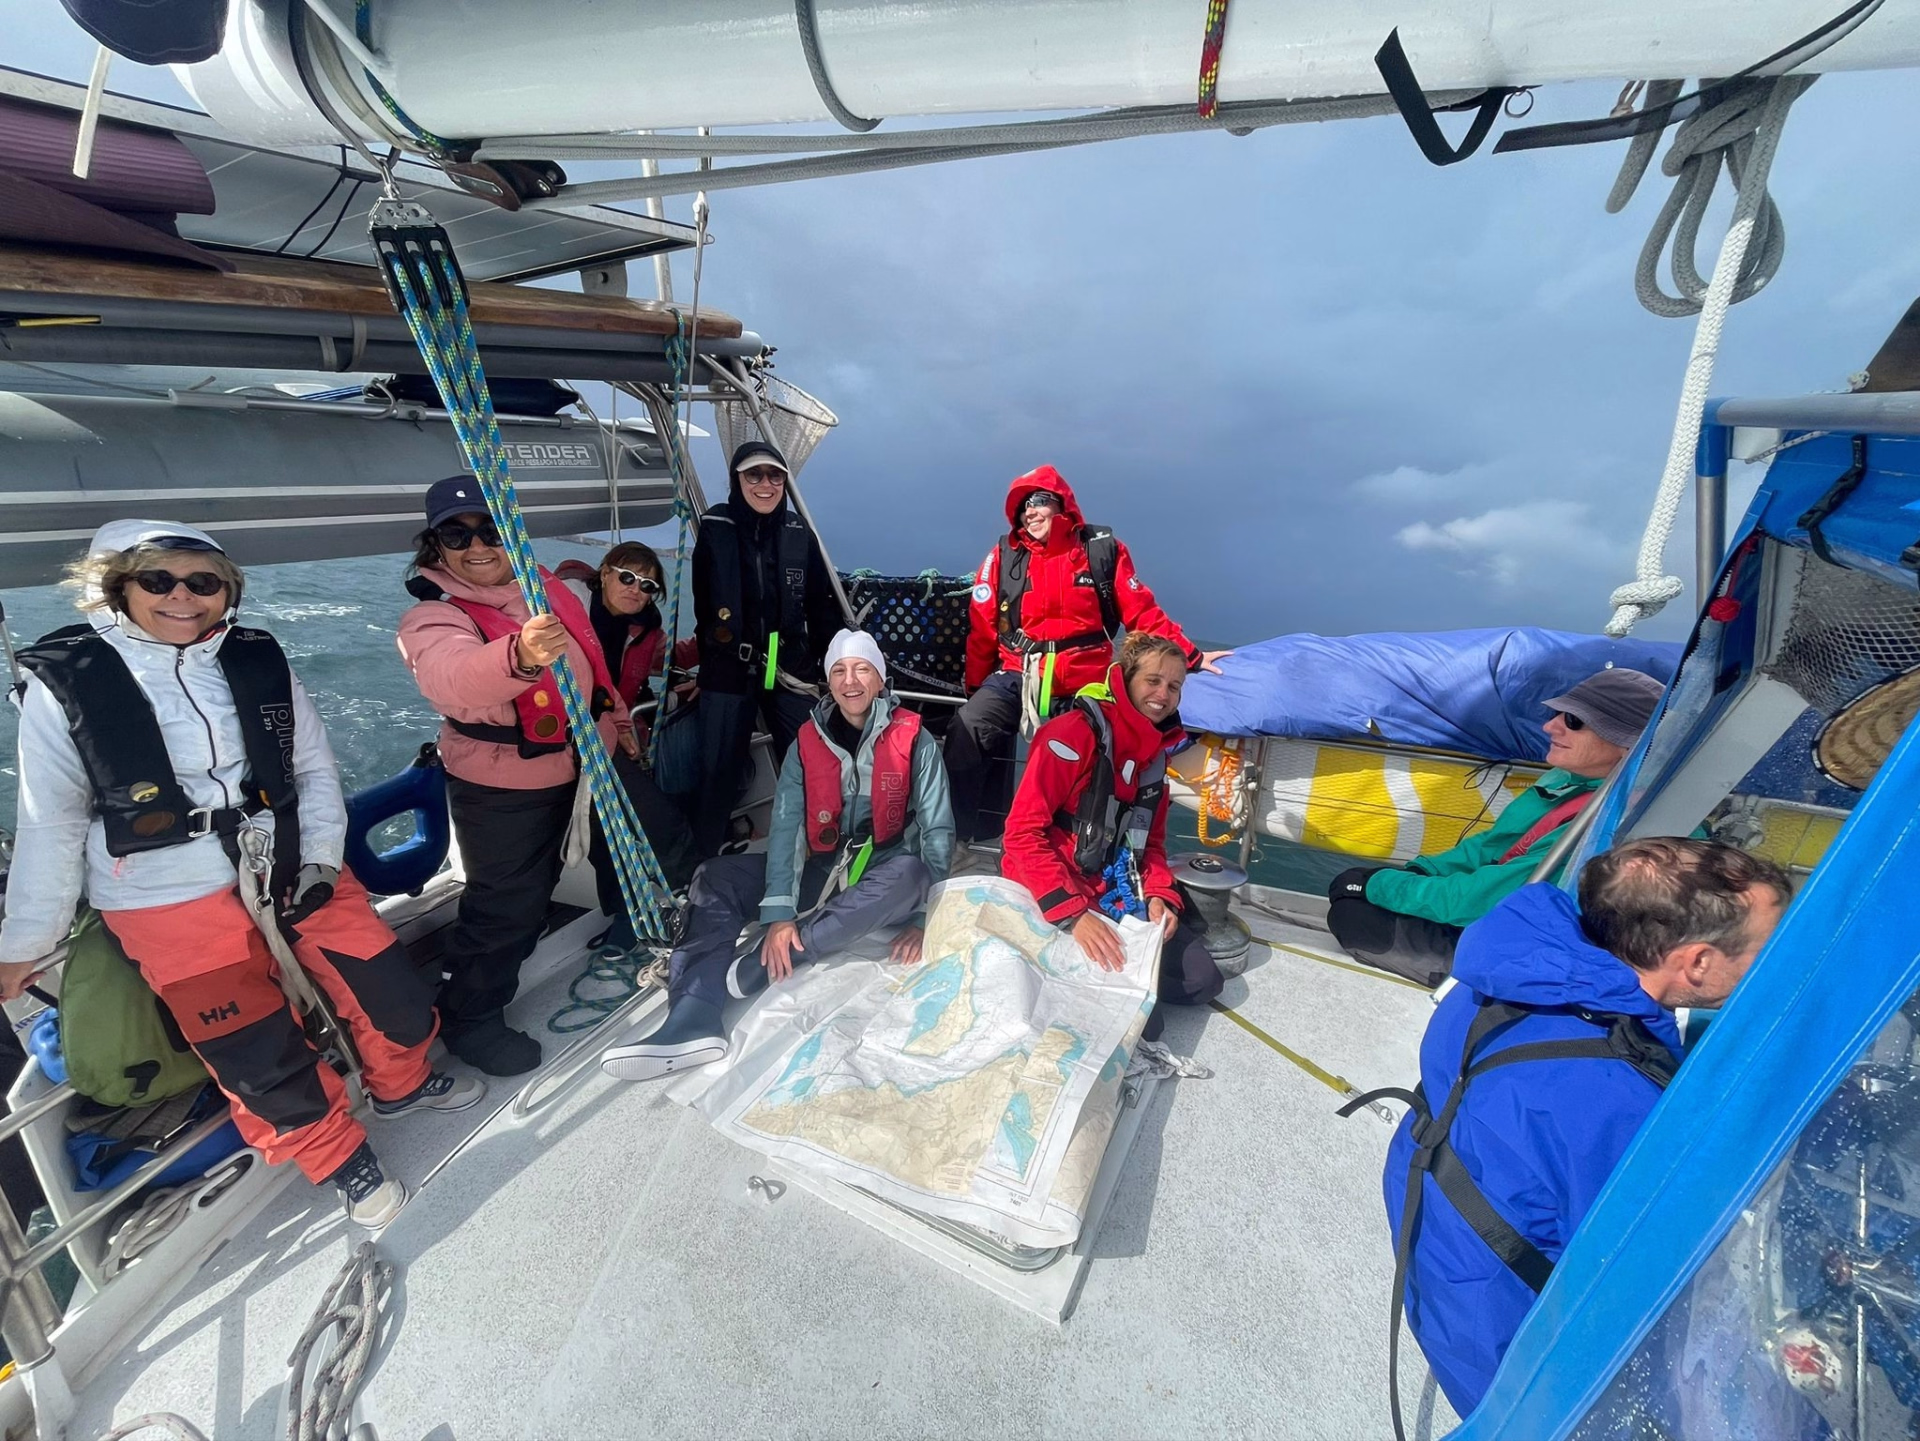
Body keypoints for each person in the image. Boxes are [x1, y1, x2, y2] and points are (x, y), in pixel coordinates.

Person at [0, 521, 483, 1229]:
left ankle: (403, 1083)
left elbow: (312, 768)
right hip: (162, 895)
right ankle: (334, 1154)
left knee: (385, 983)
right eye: (158, 579)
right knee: (251, 1044)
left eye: (204, 581)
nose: (183, 597)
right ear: (118, 586)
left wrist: (319, 855)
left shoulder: (255, 658)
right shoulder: (65, 683)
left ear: (226, 590)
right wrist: (23, 943)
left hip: (286, 856)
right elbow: (50, 824)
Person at [1380, 838, 1789, 1421]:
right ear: (1697, 962)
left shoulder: (1519, 968)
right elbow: (1641, 1276)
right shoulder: (1613, 1096)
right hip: (1497, 1327)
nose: (1777, 961)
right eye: (1765, 949)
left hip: (1432, 1226)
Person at [396, 477, 696, 1076]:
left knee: (662, 833)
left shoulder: (544, 587)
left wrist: (615, 714)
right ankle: (469, 1016)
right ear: (435, 546)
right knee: (510, 906)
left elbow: (591, 658)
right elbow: (451, 678)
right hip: (505, 783)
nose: (476, 545)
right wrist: (520, 655)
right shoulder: (432, 618)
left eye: (492, 531)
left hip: (592, 756)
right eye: (457, 534)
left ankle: (662, 925)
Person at [601, 629, 953, 1080]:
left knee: (912, 873)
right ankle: (692, 1018)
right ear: (828, 681)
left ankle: (765, 965)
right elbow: (786, 827)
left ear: (880, 680)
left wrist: (926, 918)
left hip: (882, 880)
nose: (851, 680)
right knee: (715, 876)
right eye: (840, 670)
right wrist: (779, 915)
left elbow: (938, 828)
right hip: (821, 870)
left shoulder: (915, 740)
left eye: (863, 668)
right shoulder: (808, 743)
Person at [1326, 666, 1667, 987]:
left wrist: (1378, 887)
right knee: (1367, 890)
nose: (1550, 727)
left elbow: (1486, 901)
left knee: (1354, 917)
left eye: (1574, 721)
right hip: (1501, 912)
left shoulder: (1612, 828)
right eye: (1557, 715)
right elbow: (1492, 846)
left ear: (1626, 744)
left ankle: (1473, 980)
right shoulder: (1572, 779)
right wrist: (1421, 871)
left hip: (1534, 948)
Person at [946, 465, 1229, 845]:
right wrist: (976, 686)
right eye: (1022, 507)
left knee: (1092, 758)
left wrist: (1192, 657)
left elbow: (1141, 611)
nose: (1030, 512)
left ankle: (1077, 846)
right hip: (1020, 673)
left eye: (1039, 501)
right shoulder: (1002, 557)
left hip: (1086, 679)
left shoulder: (1102, 551)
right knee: (969, 727)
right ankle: (962, 837)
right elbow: (983, 627)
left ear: (1063, 505)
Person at [999, 631, 1226, 1039]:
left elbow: (1151, 844)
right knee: (1146, 1026)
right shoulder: (1069, 736)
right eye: (1153, 680)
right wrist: (1074, 915)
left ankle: (1083, 982)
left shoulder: (1155, 759)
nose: (1163, 693)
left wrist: (1160, 895)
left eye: (1174, 686)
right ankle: (1071, 979)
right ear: (1125, 677)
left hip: (1116, 891)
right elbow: (1021, 833)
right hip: (1057, 887)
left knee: (1203, 981)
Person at [687, 439, 845, 859]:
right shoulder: (716, 527)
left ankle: (822, 848)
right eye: (754, 474)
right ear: (737, 480)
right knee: (717, 769)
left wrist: (837, 665)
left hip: (789, 664)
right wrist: (709, 665)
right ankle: (703, 860)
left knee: (813, 758)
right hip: (728, 668)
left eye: (775, 475)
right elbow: (704, 604)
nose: (765, 484)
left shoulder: (798, 534)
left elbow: (821, 604)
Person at [554, 540, 691, 750]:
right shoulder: (564, 605)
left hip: (613, 728)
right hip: (561, 726)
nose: (635, 589)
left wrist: (719, 639)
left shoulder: (645, 631)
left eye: (647, 585)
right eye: (627, 578)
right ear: (605, 574)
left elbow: (671, 658)